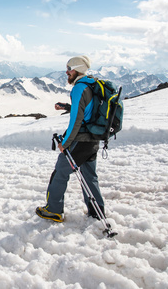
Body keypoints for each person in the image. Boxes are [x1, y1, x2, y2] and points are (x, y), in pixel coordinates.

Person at [36, 55, 105, 222]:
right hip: (93, 140)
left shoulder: (79, 88)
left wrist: (65, 143)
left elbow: (76, 119)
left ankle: (53, 210)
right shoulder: (92, 84)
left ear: (77, 70)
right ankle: (97, 212)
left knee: (60, 172)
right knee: (89, 176)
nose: (66, 72)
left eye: (69, 69)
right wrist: (67, 106)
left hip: (80, 141)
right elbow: (87, 109)